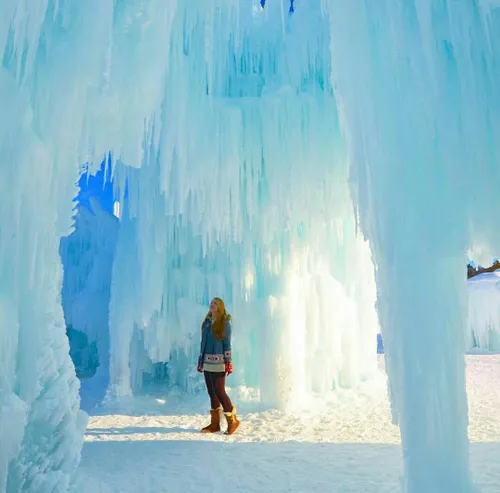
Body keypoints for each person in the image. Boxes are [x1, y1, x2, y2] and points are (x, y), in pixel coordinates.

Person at [197, 297, 240, 435]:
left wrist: (228, 362)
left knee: (220, 392)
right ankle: (215, 424)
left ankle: (232, 421)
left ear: (220, 306)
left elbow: (227, 343)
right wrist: (200, 360)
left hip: (219, 363)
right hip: (207, 362)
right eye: (211, 303)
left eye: (215, 303)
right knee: (212, 393)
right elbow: (202, 343)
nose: (212, 305)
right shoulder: (207, 323)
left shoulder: (225, 322)